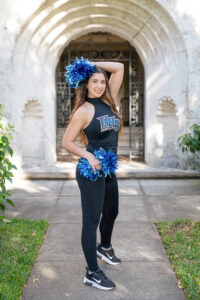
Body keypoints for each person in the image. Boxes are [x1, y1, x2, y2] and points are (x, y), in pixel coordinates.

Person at [62, 58, 124, 290]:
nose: (99, 85)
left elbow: (119, 68)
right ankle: (91, 272)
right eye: (94, 81)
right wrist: (87, 156)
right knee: (91, 220)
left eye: (102, 81)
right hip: (90, 171)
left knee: (112, 211)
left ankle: (104, 247)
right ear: (86, 85)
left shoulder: (109, 101)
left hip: (107, 167)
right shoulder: (84, 110)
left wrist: (90, 63)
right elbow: (66, 142)